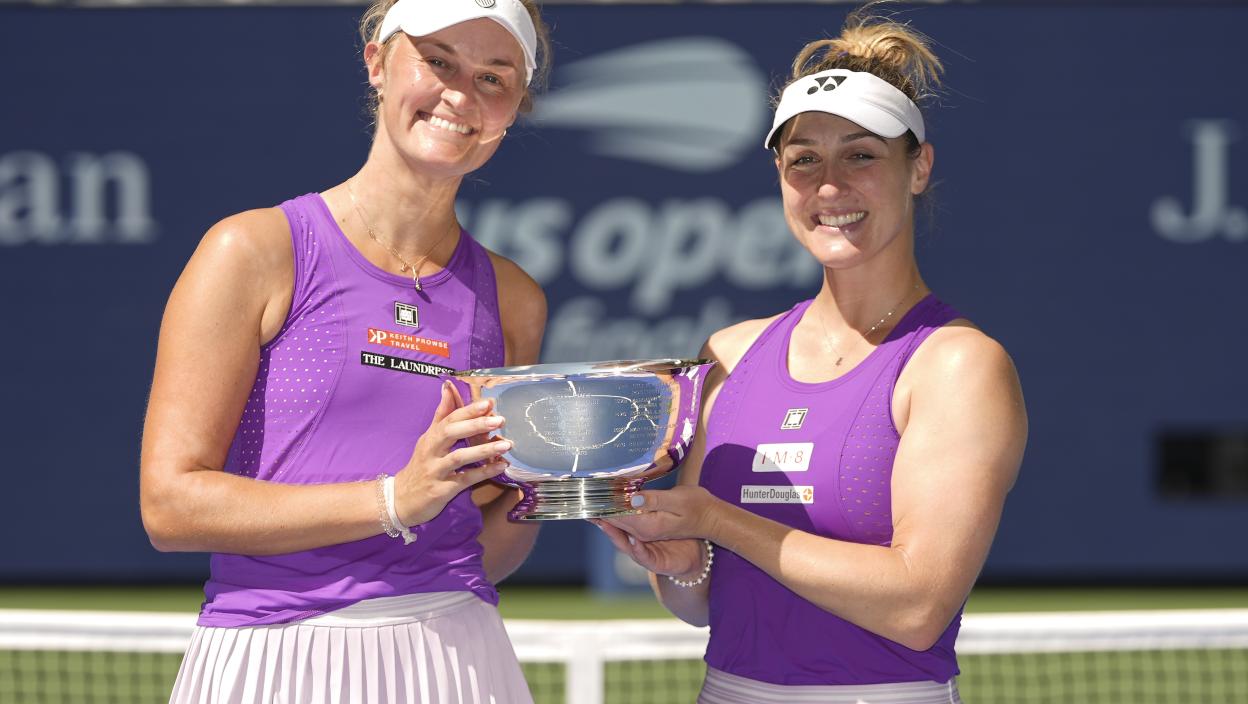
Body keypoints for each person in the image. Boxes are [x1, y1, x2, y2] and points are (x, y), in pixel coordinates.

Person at [593, 9, 1028, 703]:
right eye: (804, 160)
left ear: (918, 167)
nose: (829, 186)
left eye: (861, 155)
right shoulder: (729, 352)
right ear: (779, 175)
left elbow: (918, 606)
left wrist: (717, 521)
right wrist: (678, 564)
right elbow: (700, 603)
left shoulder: (957, 365)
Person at [139, 0, 551, 701]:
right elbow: (170, 506)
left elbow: (477, 535)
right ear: (377, 64)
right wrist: (394, 498)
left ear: (514, 107)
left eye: (493, 77)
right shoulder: (254, 250)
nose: (460, 95)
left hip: (458, 653)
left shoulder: (514, 298)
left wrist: (553, 492)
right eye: (439, 62)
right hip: (274, 656)